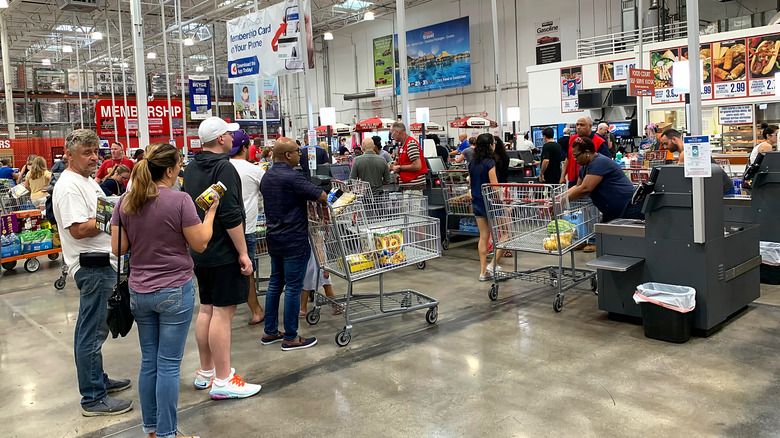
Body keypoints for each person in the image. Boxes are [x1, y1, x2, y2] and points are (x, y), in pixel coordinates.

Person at [111, 142, 217, 438]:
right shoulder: (181, 201)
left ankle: (153, 429)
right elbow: (199, 243)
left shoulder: (125, 201)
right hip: (173, 290)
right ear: (169, 170)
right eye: (179, 165)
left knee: (149, 362)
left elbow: (118, 248)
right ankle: (169, 434)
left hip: (139, 293)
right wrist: (209, 215)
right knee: (169, 366)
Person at [52, 129, 132, 416]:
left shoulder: (88, 182)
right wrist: (114, 216)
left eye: (96, 151)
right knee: (91, 332)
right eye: (86, 152)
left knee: (95, 328)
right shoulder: (69, 185)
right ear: (69, 155)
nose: (94, 157)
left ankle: (98, 380)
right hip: (92, 265)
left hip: (103, 262)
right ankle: (93, 398)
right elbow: (79, 229)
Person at [183, 116, 260, 399]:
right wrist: (243, 253)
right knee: (223, 313)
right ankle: (225, 379)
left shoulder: (191, 167)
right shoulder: (223, 168)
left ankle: (207, 371)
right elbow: (229, 215)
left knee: (206, 308)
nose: (232, 138)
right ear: (220, 139)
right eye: (229, 134)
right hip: (223, 250)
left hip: (200, 249)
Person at [260, 137, 328, 351]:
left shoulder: (267, 176)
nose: (301, 154)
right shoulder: (292, 177)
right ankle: (291, 336)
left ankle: (270, 331)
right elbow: (322, 196)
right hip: (294, 239)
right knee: (293, 288)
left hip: (274, 238)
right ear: (287, 155)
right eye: (298, 151)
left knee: (275, 284)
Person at [229, 130, 266, 326]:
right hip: (247, 228)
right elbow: (268, 192)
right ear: (245, 148)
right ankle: (256, 310)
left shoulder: (222, 167)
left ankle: (226, 311)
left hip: (225, 228)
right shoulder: (255, 170)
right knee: (248, 270)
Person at [567, 136, 643, 232]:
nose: (574, 159)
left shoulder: (599, 162)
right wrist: (558, 198)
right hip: (613, 212)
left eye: (576, 156)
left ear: (586, 153)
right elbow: (577, 187)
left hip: (628, 208)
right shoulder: (584, 168)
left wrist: (563, 201)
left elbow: (585, 188)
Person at [659, 128, 733, 194]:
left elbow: (679, 175)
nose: (665, 147)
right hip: (719, 185)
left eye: (666, 143)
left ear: (674, 140)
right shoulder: (688, 150)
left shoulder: (685, 153)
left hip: (722, 188)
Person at [469, 133, 498, 281]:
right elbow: (494, 187)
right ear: (490, 146)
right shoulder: (490, 163)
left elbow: (470, 183)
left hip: (476, 202)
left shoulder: (472, 163)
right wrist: (504, 204)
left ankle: (482, 272)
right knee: (506, 235)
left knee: (483, 236)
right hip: (491, 204)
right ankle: (492, 265)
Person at [562, 117, 608, 187]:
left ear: (590, 126)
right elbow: (568, 158)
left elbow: (605, 164)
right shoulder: (572, 139)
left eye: (582, 125)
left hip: (591, 181)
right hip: (573, 179)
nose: (578, 127)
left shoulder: (600, 142)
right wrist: (562, 176)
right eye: (577, 125)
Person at [391, 122, 428, 195]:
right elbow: (398, 162)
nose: (391, 136)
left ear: (397, 132)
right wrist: (391, 166)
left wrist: (400, 168)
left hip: (413, 187)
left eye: (392, 133)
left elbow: (417, 166)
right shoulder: (402, 145)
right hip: (407, 186)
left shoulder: (410, 144)